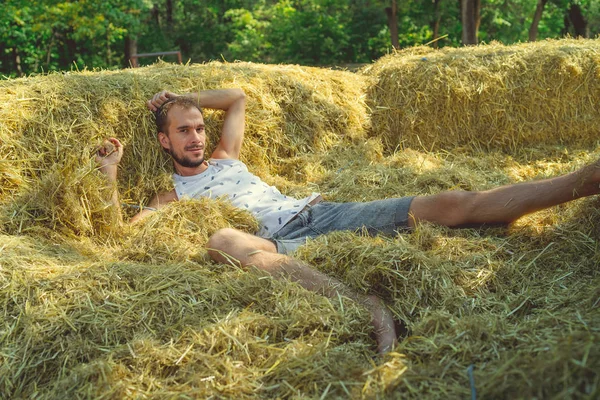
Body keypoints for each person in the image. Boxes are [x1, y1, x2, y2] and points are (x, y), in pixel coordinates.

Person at [97, 88, 600, 354]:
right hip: (271, 244)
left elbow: (237, 97)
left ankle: (582, 181)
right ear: (164, 142)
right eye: (183, 131)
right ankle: (369, 309)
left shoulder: (228, 157)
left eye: (199, 127)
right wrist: (110, 174)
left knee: (449, 203)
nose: (196, 137)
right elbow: (121, 231)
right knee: (222, 241)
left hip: (319, 213)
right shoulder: (170, 196)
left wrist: (180, 95)